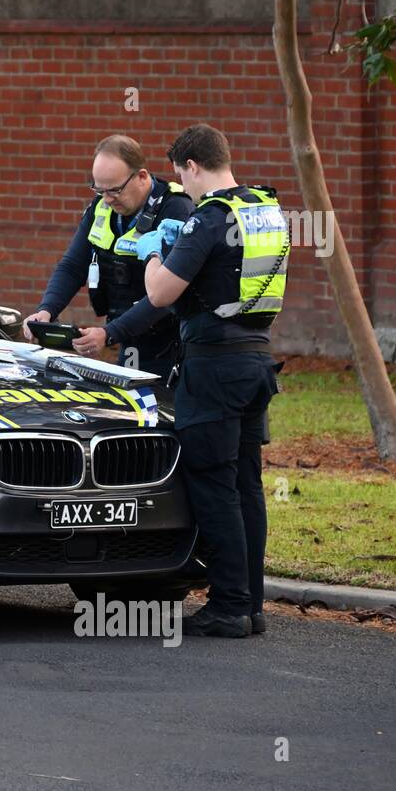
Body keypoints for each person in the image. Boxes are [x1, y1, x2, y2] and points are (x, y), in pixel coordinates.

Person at [138, 123, 288, 638]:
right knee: (248, 485)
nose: (183, 187)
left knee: (214, 483)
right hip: (256, 360)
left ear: (193, 167)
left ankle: (228, 606)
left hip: (215, 368)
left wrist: (154, 255)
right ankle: (252, 605)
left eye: (182, 177)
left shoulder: (209, 218)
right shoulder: (265, 211)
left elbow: (160, 294)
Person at [22, 135, 192, 378]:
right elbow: (73, 266)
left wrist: (109, 333)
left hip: (173, 344)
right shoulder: (102, 207)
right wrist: (47, 310)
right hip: (129, 337)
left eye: (114, 190)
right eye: (99, 189)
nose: (107, 199)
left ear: (142, 176)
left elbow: (167, 294)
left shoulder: (175, 209)